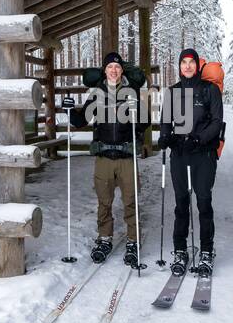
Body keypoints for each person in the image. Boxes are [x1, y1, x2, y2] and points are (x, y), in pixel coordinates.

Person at [69, 51, 147, 268]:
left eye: (117, 67)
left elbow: (146, 122)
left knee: (130, 200)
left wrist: (137, 114)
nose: (114, 70)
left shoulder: (131, 93)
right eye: (110, 67)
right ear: (105, 70)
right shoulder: (97, 94)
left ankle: (133, 239)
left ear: (122, 71)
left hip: (126, 157)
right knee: (104, 201)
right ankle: (105, 237)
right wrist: (68, 110)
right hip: (103, 157)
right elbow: (81, 120)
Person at [157, 48, 223, 277]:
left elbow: (217, 122)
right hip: (180, 153)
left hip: (203, 154)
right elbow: (165, 120)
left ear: (197, 65)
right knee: (181, 203)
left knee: (204, 202)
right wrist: (164, 137)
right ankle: (180, 249)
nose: (187, 66)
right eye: (183, 62)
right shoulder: (172, 92)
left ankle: (206, 250)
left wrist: (199, 138)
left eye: (191, 62)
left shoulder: (209, 90)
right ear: (179, 66)